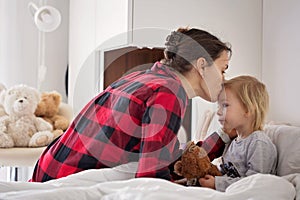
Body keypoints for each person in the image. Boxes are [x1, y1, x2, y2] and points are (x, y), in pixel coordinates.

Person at [30, 27, 232, 182]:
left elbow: (167, 157)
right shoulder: (169, 93)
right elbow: (150, 178)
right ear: (202, 65)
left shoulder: (147, 78)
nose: (224, 79)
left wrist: (223, 136)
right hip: (65, 181)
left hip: (50, 168)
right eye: (223, 69)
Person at [199, 75, 277, 192]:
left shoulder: (258, 143)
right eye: (218, 106)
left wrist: (217, 183)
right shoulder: (233, 141)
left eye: (225, 105)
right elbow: (227, 174)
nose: (218, 112)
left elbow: (254, 183)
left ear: (248, 109)